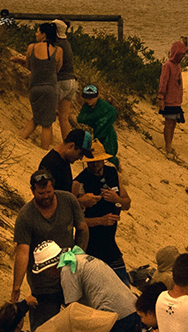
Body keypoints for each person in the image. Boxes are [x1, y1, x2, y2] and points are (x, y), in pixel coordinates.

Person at [11, 169, 88, 307]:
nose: (46, 196)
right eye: (41, 193)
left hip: (69, 275)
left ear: (53, 187)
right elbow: (23, 251)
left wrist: (77, 257)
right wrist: (17, 287)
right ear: (32, 191)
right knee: (44, 325)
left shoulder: (68, 200)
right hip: (43, 285)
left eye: (49, 192)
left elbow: (83, 228)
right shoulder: (25, 216)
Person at [75, 136, 128, 277]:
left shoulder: (112, 173)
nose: (94, 165)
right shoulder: (80, 182)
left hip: (110, 244)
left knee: (123, 286)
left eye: (97, 161)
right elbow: (75, 221)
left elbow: (127, 203)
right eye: (90, 162)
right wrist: (101, 220)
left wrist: (116, 199)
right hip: (89, 247)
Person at [23, 19, 66, 149]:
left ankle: (21, 138)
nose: (36, 34)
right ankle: (44, 149)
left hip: (35, 88)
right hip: (50, 89)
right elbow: (57, 69)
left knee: (36, 117)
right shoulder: (58, 50)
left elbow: (28, 65)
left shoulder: (31, 47)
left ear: (44, 34)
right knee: (47, 124)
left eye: (38, 32)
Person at [158, 38, 188, 159]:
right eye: (181, 54)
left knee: (174, 123)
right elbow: (163, 82)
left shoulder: (178, 66)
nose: (182, 56)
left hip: (176, 100)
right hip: (168, 100)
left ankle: (170, 143)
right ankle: (168, 146)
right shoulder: (167, 66)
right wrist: (161, 98)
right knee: (168, 123)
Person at [75, 83, 120, 157]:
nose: (88, 100)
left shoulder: (103, 105)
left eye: (91, 98)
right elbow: (80, 119)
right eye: (86, 98)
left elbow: (112, 113)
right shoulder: (86, 107)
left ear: (97, 97)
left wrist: (95, 119)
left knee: (108, 154)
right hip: (93, 133)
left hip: (107, 134)